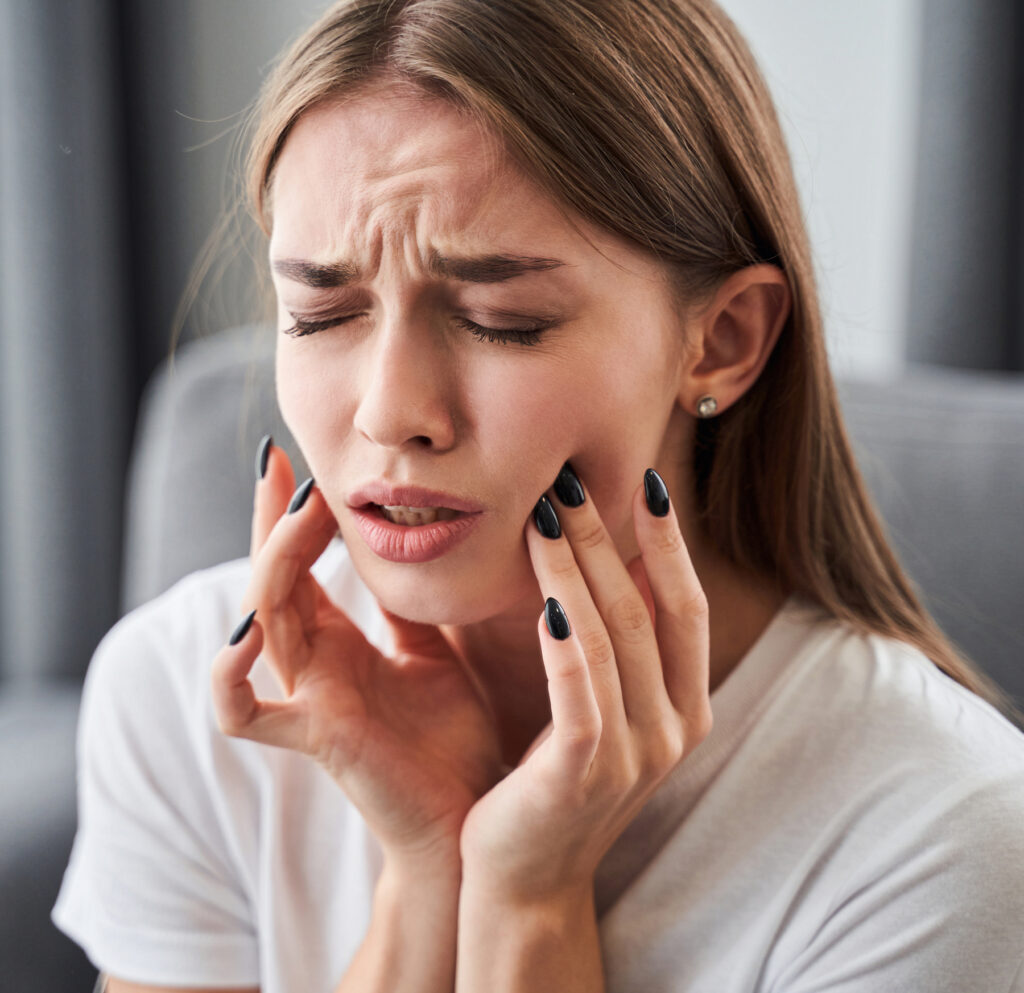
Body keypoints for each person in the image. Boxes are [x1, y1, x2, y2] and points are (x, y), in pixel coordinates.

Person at [53, 1, 1024, 991]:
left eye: (501, 320)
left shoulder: (945, 837)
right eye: (322, 312)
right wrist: (427, 873)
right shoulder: (190, 690)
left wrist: (527, 900)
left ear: (724, 340)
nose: (392, 414)